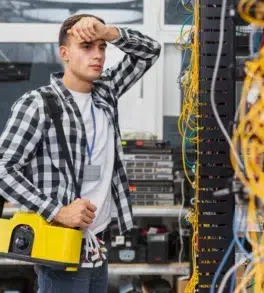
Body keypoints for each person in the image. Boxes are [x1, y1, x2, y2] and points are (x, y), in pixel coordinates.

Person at [0, 14, 161, 293]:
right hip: (60, 246)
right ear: (65, 53)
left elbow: (150, 51)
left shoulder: (105, 91)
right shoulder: (38, 104)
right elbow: (3, 167)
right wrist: (57, 211)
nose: (97, 55)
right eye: (87, 46)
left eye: (101, 47)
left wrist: (110, 32)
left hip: (97, 243)